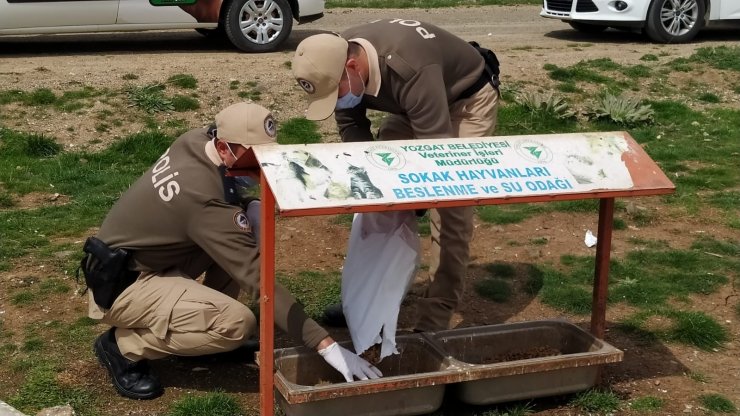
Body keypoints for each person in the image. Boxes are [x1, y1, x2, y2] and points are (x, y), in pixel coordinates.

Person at [80, 102, 381, 400]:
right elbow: (256, 278)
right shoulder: (202, 199)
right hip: (122, 286)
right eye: (253, 157)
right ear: (224, 148)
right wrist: (325, 344)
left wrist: (248, 204)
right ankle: (122, 347)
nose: (262, 165)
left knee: (237, 232)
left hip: (143, 259)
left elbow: (223, 203)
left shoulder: (195, 141)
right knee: (236, 324)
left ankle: (203, 340)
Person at [292, 19, 500, 333]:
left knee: (450, 209)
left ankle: (435, 317)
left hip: (465, 102)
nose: (336, 102)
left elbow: (436, 155)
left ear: (353, 66)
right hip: (412, 105)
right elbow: (352, 128)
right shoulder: (336, 62)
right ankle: (368, 300)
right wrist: (380, 190)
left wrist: (413, 198)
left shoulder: (408, 65)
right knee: (375, 206)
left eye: (335, 94)